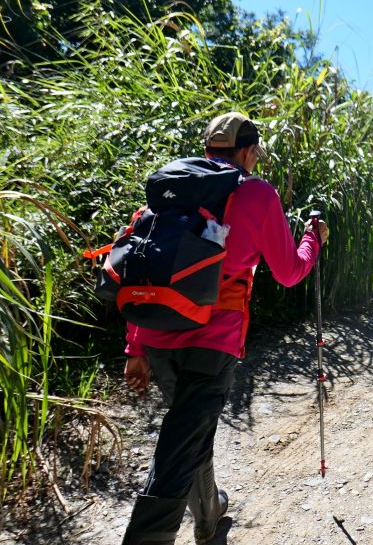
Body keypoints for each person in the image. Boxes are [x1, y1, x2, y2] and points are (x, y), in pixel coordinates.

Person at [121, 112, 328, 545]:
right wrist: (313, 240)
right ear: (250, 151)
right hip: (213, 339)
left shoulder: (174, 184)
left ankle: (209, 513)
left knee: (192, 429)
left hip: (157, 329)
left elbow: (146, 262)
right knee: (180, 444)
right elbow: (289, 272)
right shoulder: (256, 193)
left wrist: (135, 346)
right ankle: (148, 536)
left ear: (207, 148)